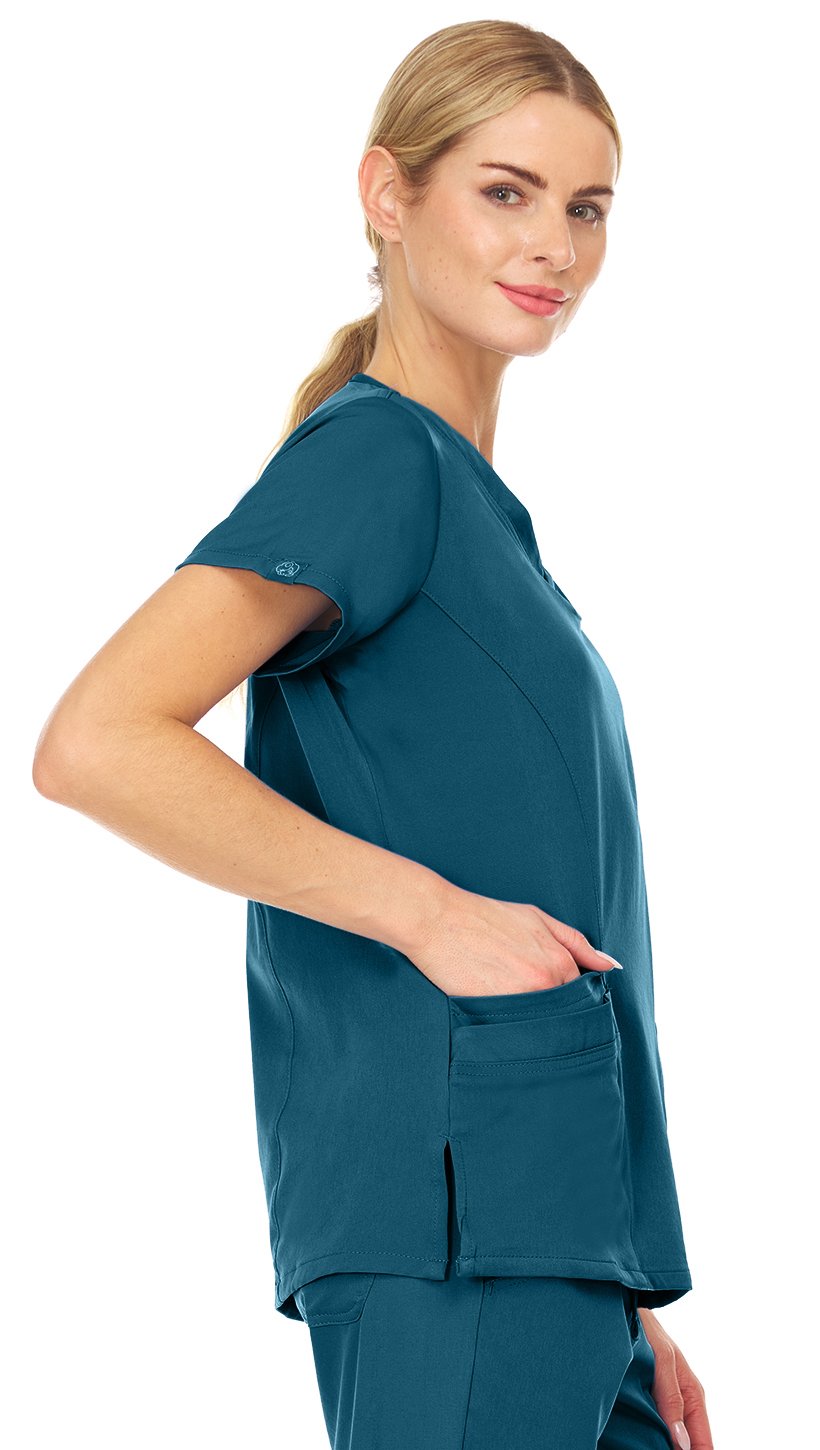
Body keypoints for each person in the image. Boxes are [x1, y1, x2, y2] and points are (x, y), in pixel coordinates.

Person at [32, 18, 713, 1450]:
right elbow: (98, 738)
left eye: (588, 207)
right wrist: (429, 915)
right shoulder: (379, 458)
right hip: (454, 1237)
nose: (556, 247)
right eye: (506, 192)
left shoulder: (472, 510)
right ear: (387, 195)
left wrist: (621, 1288)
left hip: (552, 1239)